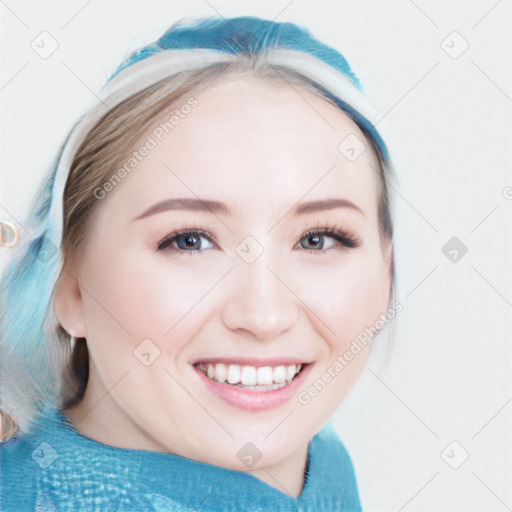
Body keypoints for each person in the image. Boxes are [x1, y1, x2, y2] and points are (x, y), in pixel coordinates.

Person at [0, 15, 396, 511]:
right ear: (69, 284)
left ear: (386, 275)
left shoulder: (324, 465)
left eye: (318, 239)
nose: (263, 316)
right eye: (189, 240)